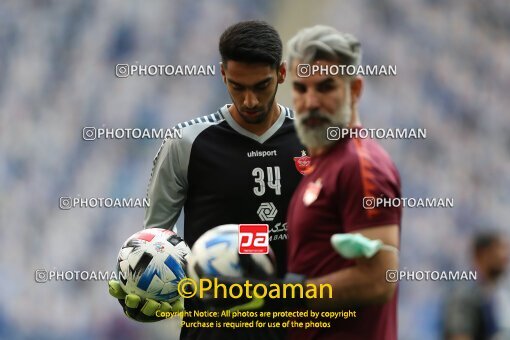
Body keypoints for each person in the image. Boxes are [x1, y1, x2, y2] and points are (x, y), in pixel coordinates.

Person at [108, 20, 305, 340]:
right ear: (223, 74)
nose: (250, 100)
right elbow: (157, 239)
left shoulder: (314, 142)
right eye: (238, 87)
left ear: (281, 74)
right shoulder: (186, 142)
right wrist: (144, 286)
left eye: (262, 86)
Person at [284, 25, 402, 340]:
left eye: (325, 88)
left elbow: (380, 279)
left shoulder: (362, 167)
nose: (310, 102)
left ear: (355, 90)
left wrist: (281, 299)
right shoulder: (321, 163)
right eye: (300, 88)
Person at [443, 231, 509, 340]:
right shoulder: (463, 296)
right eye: (499, 248)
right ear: (481, 254)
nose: (505, 256)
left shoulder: (500, 296)